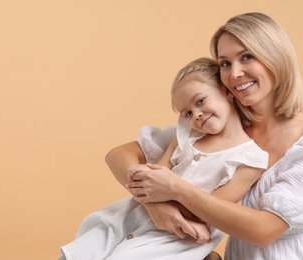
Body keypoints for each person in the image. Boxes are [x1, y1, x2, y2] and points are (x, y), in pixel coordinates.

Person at [109, 12, 303, 259]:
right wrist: (155, 206)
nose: (234, 74)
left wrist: (175, 189)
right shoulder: (218, 126)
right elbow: (120, 155)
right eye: (225, 63)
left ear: (276, 57)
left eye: (247, 57)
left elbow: (264, 230)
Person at [59, 57, 269, 259]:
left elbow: (209, 210)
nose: (195, 114)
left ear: (227, 92)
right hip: (129, 217)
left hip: (174, 238)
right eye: (186, 113)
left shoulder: (249, 159)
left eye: (200, 101)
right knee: (80, 251)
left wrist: (165, 187)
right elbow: (151, 176)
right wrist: (153, 189)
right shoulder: (186, 135)